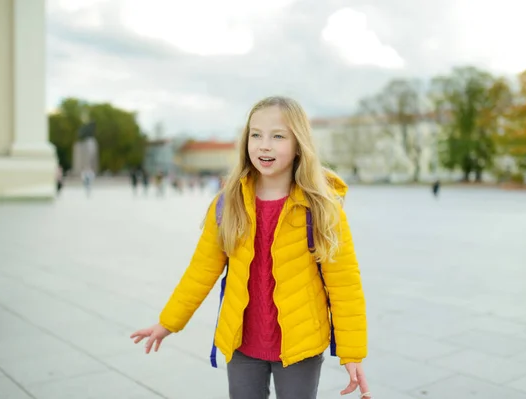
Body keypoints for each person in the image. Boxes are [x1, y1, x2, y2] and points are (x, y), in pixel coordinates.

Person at [130, 96, 371, 399]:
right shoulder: (227, 204)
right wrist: (168, 323)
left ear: (299, 144)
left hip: (300, 345)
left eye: (278, 136)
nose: (264, 145)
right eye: (255, 135)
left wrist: (352, 353)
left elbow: (344, 284)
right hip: (242, 343)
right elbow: (201, 271)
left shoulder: (322, 208)